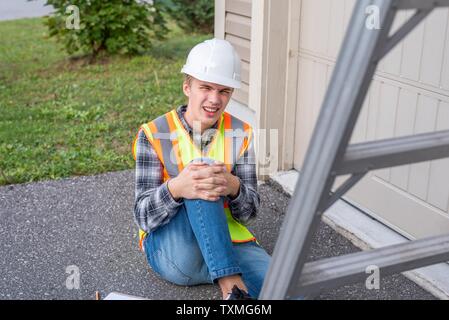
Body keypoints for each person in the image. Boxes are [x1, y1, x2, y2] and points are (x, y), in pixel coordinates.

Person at [132, 38, 271, 300]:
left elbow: (249, 214)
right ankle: (230, 283)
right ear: (187, 87)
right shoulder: (154, 133)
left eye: (224, 91)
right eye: (205, 87)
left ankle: (228, 279)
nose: (214, 99)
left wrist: (233, 186)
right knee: (202, 168)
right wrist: (177, 188)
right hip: (177, 253)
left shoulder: (240, 133)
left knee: (285, 287)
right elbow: (142, 216)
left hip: (230, 245)